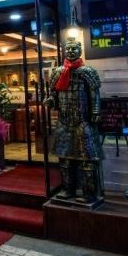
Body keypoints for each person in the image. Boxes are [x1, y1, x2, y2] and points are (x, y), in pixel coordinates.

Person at [44, 38, 104, 206]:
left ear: (79, 51)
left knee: (87, 159)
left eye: (73, 49)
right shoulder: (58, 72)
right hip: (64, 120)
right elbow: (54, 94)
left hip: (83, 121)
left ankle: (88, 193)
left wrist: (96, 111)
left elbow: (94, 94)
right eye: (68, 49)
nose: (70, 52)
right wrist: (50, 101)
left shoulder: (88, 72)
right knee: (65, 159)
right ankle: (67, 190)